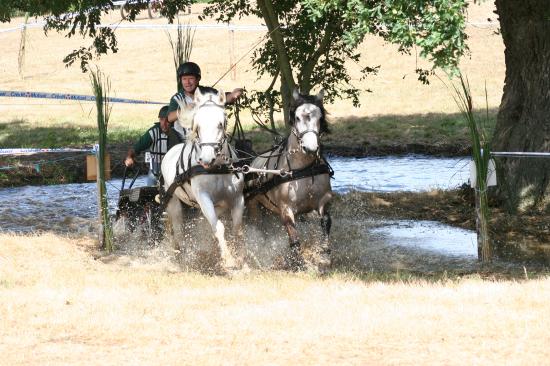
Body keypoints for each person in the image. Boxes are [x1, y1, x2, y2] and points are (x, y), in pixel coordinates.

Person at [167, 61, 243, 133]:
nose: (187, 82)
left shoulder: (208, 92)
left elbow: (225, 98)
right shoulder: (177, 98)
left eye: (191, 79)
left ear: (198, 79)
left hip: (206, 138)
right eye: (184, 79)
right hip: (182, 139)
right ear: (181, 80)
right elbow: (169, 118)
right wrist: (185, 109)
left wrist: (233, 95)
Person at [124, 105, 181, 186]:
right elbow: (136, 148)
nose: (164, 124)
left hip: (174, 177)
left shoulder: (179, 133)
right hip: (155, 175)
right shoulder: (153, 132)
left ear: (173, 121)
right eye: (161, 120)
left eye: (167, 121)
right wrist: (129, 157)